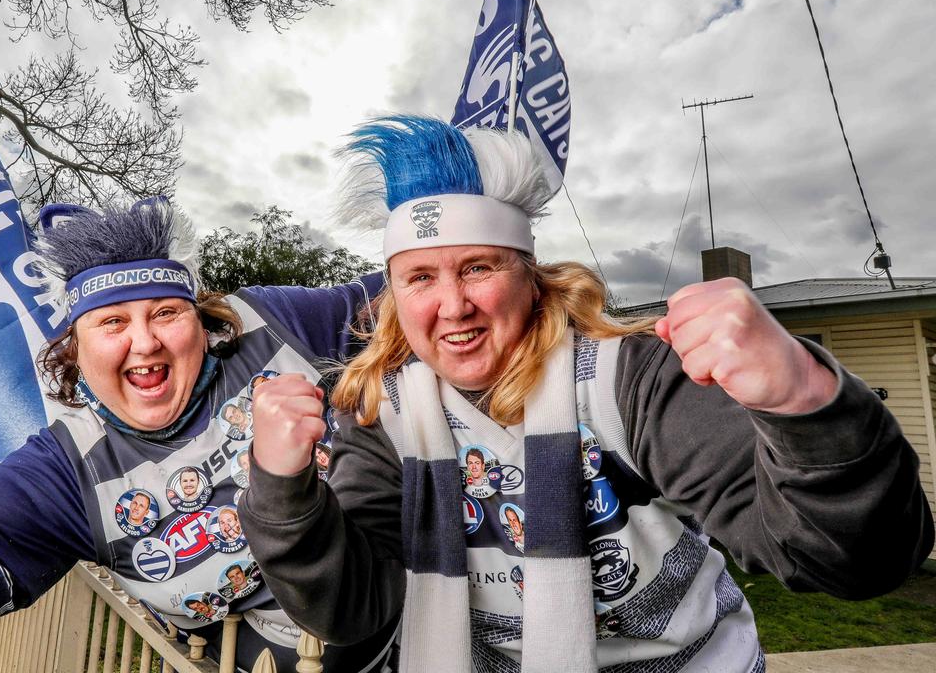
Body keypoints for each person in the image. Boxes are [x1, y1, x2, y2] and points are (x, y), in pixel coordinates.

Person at [238, 116, 934, 672]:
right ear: (395, 295)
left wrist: (805, 402)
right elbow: (356, 609)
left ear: (529, 277)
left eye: (478, 267)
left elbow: (847, 561)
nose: (453, 307)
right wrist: (281, 491)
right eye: (420, 278)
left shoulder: (627, 378)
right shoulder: (384, 416)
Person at [0, 197, 393, 671]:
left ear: (201, 323)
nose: (144, 343)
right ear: (76, 348)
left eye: (167, 313)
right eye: (112, 322)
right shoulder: (67, 470)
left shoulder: (271, 325)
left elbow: (409, 301)